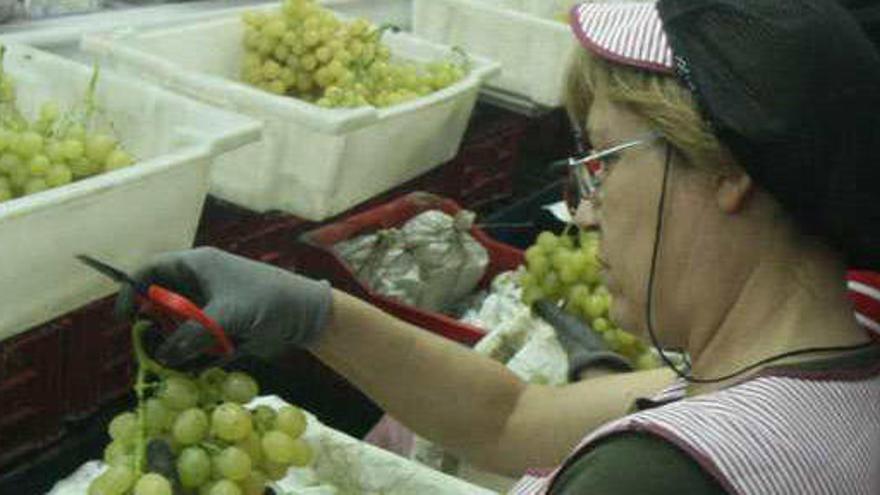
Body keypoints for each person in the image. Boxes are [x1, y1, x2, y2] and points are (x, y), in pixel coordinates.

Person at [119, 0, 880, 493]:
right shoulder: (832, 366)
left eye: (605, 162)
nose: (583, 215)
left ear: (728, 168)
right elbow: (514, 418)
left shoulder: (659, 477)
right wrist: (318, 314)